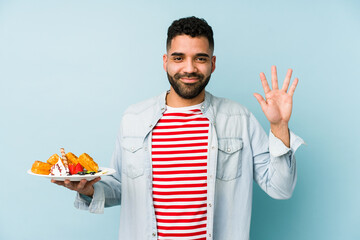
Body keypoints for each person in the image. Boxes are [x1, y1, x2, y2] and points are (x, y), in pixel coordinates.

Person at [53, 16, 304, 240]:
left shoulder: (240, 119)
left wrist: (279, 126)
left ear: (213, 63)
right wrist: (88, 189)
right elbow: (121, 188)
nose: (189, 68)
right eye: (178, 57)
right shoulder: (133, 119)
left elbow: (280, 189)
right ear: (165, 61)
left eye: (200, 58)